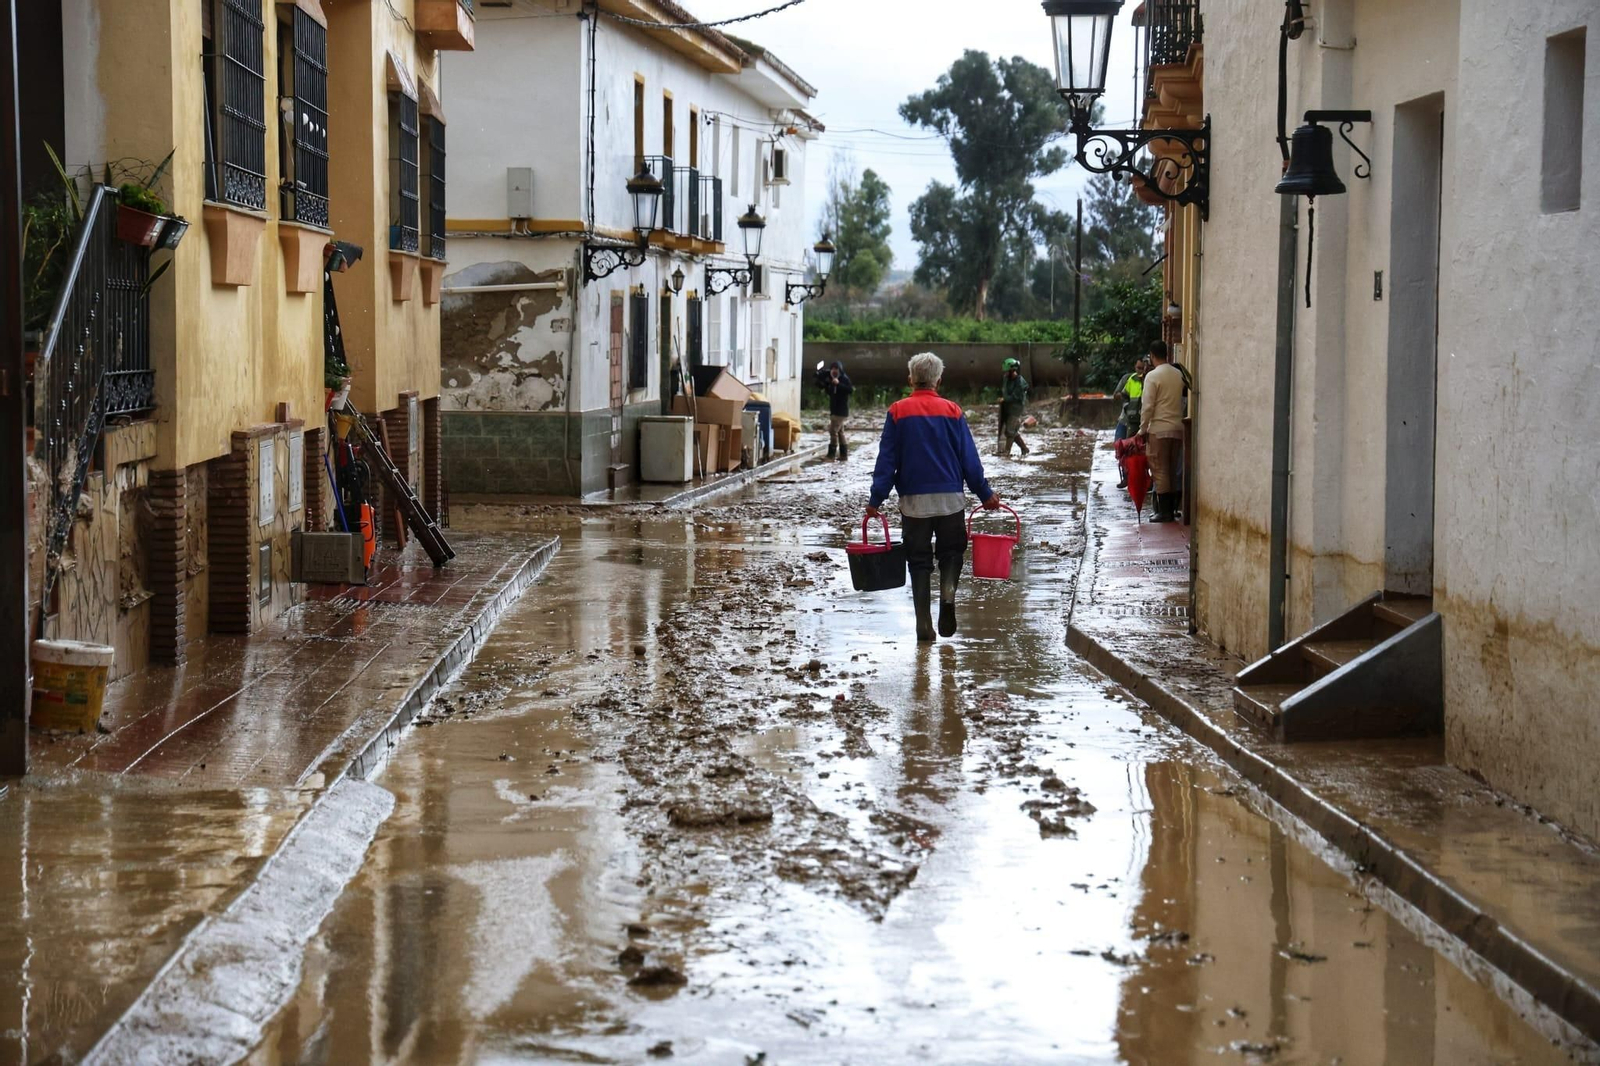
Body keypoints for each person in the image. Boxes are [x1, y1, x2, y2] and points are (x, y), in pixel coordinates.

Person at [868, 352, 1001, 643]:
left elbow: (886, 461)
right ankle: (948, 598)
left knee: (918, 561)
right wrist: (985, 494)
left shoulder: (897, 412)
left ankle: (923, 623)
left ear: (910, 380)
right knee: (951, 553)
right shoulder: (953, 411)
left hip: (914, 502)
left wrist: (875, 500)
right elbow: (969, 460)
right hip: (950, 499)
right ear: (939, 380)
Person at [1138, 341, 1185, 523]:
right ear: (1167, 354)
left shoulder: (1152, 376)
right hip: (1177, 428)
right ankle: (1172, 509)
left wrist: (1142, 430)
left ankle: (1164, 512)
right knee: (1172, 469)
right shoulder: (1177, 374)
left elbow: (1147, 406)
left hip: (1159, 429)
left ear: (1152, 355)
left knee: (1160, 470)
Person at [1112, 356, 1148, 488]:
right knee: (1121, 448)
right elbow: (1118, 394)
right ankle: (1126, 477)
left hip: (1141, 421)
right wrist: (1128, 404)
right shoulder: (1129, 379)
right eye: (1138, 368)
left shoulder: (1149, 380)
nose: (1140, 371)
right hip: (1126, 420)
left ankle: (1142, 478)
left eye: (1142, 368)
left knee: (1141, 451)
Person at [999, 357, 1031, 458]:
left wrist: (1005, 399)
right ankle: (1024, 449)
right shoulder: (1006, 378)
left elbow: (1015, 397)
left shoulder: (1020, 382)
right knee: (1011, 431)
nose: (1006, 373)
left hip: (1016, 409)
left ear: (1013, 371)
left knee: (1010, 431)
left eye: (1007, 371)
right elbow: (1005, 391)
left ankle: (1006, 452)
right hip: (1008, 407)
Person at [822, 360, 853, 460]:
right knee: (840, 432)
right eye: (832, 368)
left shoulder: (844, 379)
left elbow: (850, 390)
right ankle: (843, 455)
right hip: (834, 410)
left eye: (836, 368)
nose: (834, 371)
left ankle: (831, 455)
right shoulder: (831, 379)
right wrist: (827, 385)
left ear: (840, 369)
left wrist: (838, 384)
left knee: (833, 431)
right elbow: (830, 392)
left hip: (841, 410)